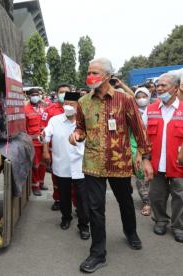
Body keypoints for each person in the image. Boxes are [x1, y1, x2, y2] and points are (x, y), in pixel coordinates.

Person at [70, 58, 153, 273]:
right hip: (93, 164)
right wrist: (77, 135)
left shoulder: (125, 100)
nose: (90, 76)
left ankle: (131, 231)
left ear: (107, 75)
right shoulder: (83, 102)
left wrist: (145, 158)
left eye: (94, 72)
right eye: (88, 72)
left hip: (120, 163)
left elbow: (138, 129)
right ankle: (98, 253)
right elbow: (80, 127)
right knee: (95, 208)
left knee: (125, 201)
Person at [42, 92, 90, 240]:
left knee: (82, 198)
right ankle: (66, 218)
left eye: (72, 104)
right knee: (64, 195)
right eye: (66, 103)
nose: (68, 106)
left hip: (81, 167)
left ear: (79, 106)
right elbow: (46, 135)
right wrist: (45, 151)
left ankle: (83, 225)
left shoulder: (85, 121)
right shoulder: (55, 120)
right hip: (61, 164)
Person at [147, 73, 183, 243]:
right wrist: (144, 158)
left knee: (180, 197)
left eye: (164, 86)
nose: (159, 89)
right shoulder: (151, 109)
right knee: (156, 195)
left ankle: (179, 226)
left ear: (176, 88)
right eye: (158, 85)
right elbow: (143, 137)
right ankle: (161, 220)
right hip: (156, 163)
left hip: (179, 164)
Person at [41, 84, 75, 210]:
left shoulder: (78, 109)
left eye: (67, 92)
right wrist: (45, 151)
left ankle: (76, 202)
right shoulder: (49, 111)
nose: (64, 94)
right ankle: (58, 199)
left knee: (75, 179)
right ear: (56, 93)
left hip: (74, 151)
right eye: (61, 92)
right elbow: (43, 131)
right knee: (57, 177)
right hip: (56, 150)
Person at [131, 87, 152, 216]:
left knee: (156, 177)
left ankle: (157, 199)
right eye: (138, 97)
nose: (141, 99)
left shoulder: (155, 110)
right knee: (141, 176)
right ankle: (147, 202)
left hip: (156, 146)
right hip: (137, 148)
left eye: (144, 96)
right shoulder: (133, 112)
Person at [24, 88, 44, 196]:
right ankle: (35, 186)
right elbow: (24, 128)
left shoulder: (42, 108)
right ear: (29, 96)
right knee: (35, 165)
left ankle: (41, 183)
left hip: (44, 141)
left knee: (43, 164)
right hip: (33, 142)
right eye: (33, 95)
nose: (35, 96)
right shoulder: (25, 110)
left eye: (37, 94)